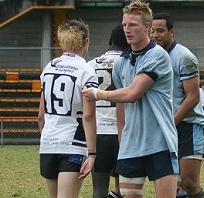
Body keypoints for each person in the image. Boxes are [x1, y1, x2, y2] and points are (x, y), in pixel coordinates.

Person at [83, 1, 179, 197]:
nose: (127, 30)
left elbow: (133, 93)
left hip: (159, 141)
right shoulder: (121, 63)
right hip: (131, 145)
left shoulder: (158, 55)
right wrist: (123, 140)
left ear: (147, 27)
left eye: (133, 25)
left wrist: (98, 94)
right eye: (125, 25)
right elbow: (122, 106)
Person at [151, 13, 204, 198]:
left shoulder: (184, 56)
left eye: (160, 30)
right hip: (166, 125)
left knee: (189, 182)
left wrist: (171, 123)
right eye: (152, 31)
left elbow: (193, 97)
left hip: (189, 125)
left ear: (171, 32)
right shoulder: (151, 56)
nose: (155, 35)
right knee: (172, 183)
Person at [38, 19, 98, 198]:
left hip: (48, 144)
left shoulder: (49, 67)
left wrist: (46, 138)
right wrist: (92, 153)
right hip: (73, 144)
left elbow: (41, 115)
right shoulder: (86, 71)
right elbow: (88, 116)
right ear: (86, 41)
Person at [88, 24, 129, 198]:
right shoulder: (130, 63)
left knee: (99, 189)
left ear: (110, 40)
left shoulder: (90, 65)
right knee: (127, 189)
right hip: (123, 132)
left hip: (98, 132)